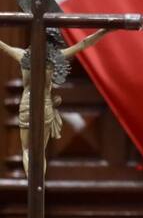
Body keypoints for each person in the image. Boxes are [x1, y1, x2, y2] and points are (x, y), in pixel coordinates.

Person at [0, 27, 110, 175]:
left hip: (27, 102)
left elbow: (2, 45)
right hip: (44, 103)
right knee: (40, 150)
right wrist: (104, 31)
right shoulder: (55, 57)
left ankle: (32, 182)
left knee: (27, 149)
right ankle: (38, 184)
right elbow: (84, 43)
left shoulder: (22, 55)